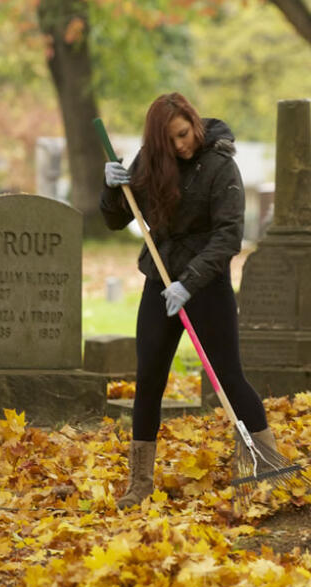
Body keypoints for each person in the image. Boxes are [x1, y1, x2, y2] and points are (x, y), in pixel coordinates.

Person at [100, 92, 277, 508]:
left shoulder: (221, 165)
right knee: (149, 381)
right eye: (171, 140)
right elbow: (114, 219)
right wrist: (110, 187)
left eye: (184, 134)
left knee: (229, 379)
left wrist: (189, 283)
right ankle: (140, 482)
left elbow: (228, 236)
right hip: (159, 283)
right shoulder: (150, 162)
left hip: (206, 285)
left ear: (194, 123)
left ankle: (268, 467)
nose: (181, 145)